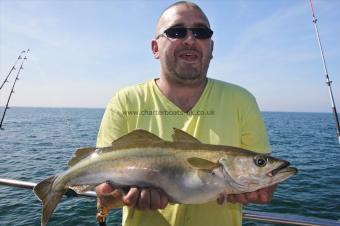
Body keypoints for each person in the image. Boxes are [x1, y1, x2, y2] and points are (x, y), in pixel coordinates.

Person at [96, 1, 276, 226]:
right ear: (155, 48)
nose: (190, 40)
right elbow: (103, 191)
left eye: (201, 33)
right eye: (176, 32)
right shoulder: (125, 101)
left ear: (211, 47)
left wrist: (263, 187)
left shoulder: (242, 100)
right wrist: (119, 196)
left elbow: (267, 180)